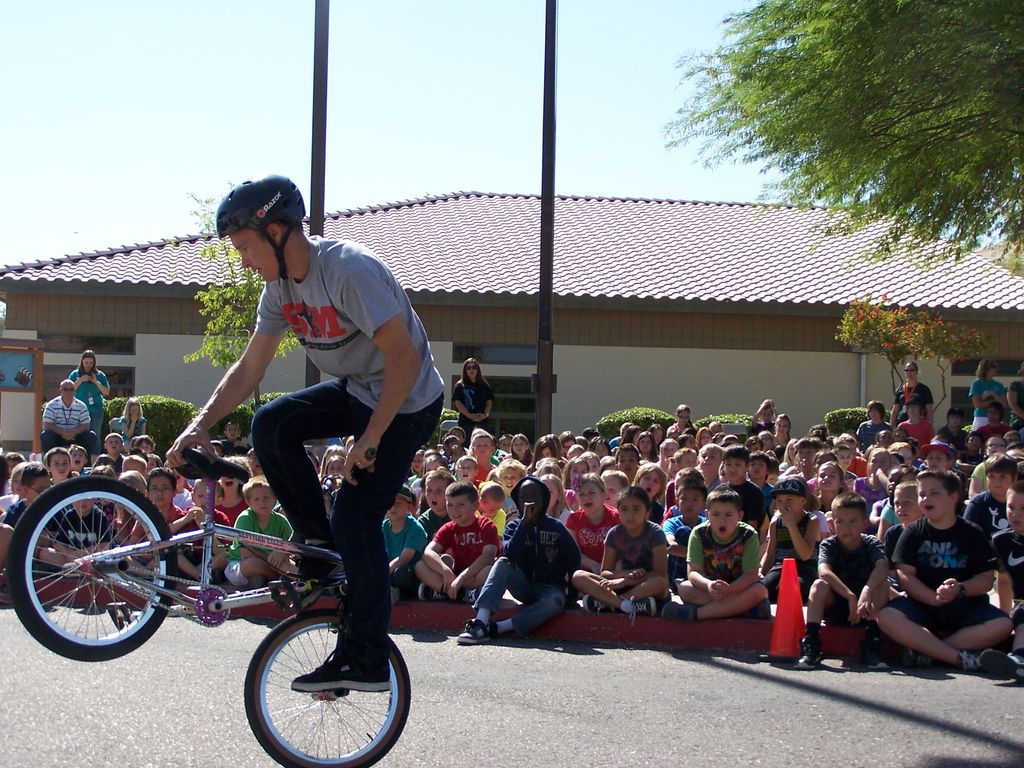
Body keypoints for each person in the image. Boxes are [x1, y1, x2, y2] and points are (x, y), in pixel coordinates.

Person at [167, 175, 444, 694]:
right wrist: (198, 425)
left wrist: (372, 438)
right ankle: (319, 548)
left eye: (246, 247)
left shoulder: (346, 270)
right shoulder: (278, 292)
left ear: (276, 231)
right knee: (271, 423)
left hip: (407, 401)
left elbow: (404, 357)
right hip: (362, 390)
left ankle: (365, 659)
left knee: (357, 517)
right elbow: (249, 370)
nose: (244, 261)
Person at [877, 469, 1012, 671]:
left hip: (965, 606)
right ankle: (957, 658)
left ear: (953, 497)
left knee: (1003, 624)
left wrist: (960, 588)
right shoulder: (913, 531)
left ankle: (928, 651)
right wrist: (932, 598)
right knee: (887, 616)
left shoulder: (972, 532)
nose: (926, 499)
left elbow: (985, 579)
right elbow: (905, 575)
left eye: (934, 493)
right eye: (922, 494)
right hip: (922, 605)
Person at [456, 476, 581, 644]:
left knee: (556, 602)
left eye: (534, 496)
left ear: (543, 499)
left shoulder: (556, 527)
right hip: (522, 585)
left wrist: (572, 595)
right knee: (502, 563)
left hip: (549, 588)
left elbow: (573, 558)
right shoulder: (513, 526)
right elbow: (510, 556)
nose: (529, 501)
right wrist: (524, 525)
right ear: (517, 501)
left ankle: (499, 628)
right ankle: (480, 622)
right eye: (523, 498)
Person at [795, 494, 891, 670]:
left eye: (853, 521)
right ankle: (812, 644)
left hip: (865, 608)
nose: (846, 527)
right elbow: (824, 571)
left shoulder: (871, 543)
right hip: (838, 606)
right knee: (819, 585)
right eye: (840, 522)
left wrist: (867, 590)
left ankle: (872, 642)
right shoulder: (829, 544)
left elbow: (883, 565)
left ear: (864, 523)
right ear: (832, 524)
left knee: (883, 584)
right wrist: (849, 596)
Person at [662, 487, 768, 622]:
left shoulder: (748, 535)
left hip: (738, 587)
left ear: (740, 516)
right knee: (684, 588)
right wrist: (708, 585)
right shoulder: (698, 533)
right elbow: (694, 572)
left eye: (728, 515)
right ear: (707, 515)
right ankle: (742, 608)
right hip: (710, 588)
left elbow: (751, 574)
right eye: (716, 515)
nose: (722, 521)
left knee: (760, 591)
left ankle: (697, 614)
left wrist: (730, 590)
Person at [572, 486, 668, 618]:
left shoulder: (655, 532)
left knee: (660, 583)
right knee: (578, 576)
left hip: (645, 586)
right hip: (618, 583)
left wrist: (627, 581)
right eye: (624, 509)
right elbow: (605, 572)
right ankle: (627, 605)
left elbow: (660, 573)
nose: (630, 515)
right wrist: (624, 576)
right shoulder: (614, 533)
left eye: (636, 509)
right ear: (618, 511)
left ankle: (609, 603)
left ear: (647, 512)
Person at [415, 481, 499, 602]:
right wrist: (446, 571)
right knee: (419, 566)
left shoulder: (486, 525)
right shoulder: (449, 528)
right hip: (454, 574)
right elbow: (428, 552)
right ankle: (458, 593)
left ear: (475, 505)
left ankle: (447, 592)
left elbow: (489, 555)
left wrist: (461, 578)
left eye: (461, 505)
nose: (454, 510)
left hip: (474, 575)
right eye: (450, 505)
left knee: (490, 570)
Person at [978, 480, 1024, 679]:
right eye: (1011, 507)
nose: (1015, 514)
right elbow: (1003, 581)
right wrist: (1005, 618)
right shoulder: (1001, 541)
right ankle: (1019, 661)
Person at [761, 477, 821, 602]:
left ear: (803, 500)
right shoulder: (775, 523)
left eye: (789, 499)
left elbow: (805, 555)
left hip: (804, 568)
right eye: (780, 501)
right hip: (780, 567)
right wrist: (761, 573)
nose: (784, 505)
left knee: (794, 588)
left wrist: (791, 526)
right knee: (762, 589)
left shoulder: (812, 521)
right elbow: (770, 553)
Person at [565, 474, 619, 574]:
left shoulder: (616, 517)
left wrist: (606, 569)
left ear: (603, 495)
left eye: (591, 493)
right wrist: (595, 566)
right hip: (588, 572)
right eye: (581, 494)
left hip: (613, 569)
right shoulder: (573, 520)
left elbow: (622, 551)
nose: (586, 498)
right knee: (578, 576)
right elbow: (575, 553)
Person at [383, 485, 428, 602]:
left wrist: (385, 571)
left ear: (408, 506)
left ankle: (395, 593)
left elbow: (405, 557)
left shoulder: (415, 527)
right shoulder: (384, 526)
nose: (392, 507)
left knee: (402, 573)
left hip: (411, 572)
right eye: (389, 502)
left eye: (398, 503)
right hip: (389, 571)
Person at [41, 380, 99, 457]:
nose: (69, 392)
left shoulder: (81, 406)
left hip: (76, 435)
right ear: (60, 390)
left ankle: (83, 462)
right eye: (65, 389)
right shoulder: (52, 404)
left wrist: (72, 433)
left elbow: (86, 425)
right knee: (46, 435)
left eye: (71, 389)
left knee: (91, 436)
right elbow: (47, 425)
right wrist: (63, 433)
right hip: (58, 435)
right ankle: (50, 460)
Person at [963, 454, 1015, 538]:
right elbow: (967, 535)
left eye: (1002, 477)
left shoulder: (1021, 501)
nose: (997, 481)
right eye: (992, 476)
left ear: (1014, 478)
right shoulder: (978, 503)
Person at [69, 349, 110, 440]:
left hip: (96, 410)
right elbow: (69, 390)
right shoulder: (75, 374)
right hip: (79, 411)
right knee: (79, 436)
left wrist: (96, 382)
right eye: (86, 362)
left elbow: (106, 392)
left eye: (91, 363)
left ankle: (94, 454)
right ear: (82, 361)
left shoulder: (100, 375)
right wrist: (81, 380)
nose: (88, 365)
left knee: (94, 436)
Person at [451, 358, 493, 445]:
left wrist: (485, 414)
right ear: (465, 370)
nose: (471, 370)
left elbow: (489, 402)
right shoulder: (460, 385)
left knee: (482, 444)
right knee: (466, 444)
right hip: (465, 422)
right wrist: (469, 415)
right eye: (468, 368)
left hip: (482, 421)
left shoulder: (484, 385)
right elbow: (458, 403)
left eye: (474, 367)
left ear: (478, 370)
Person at [891, 360, 934, 430]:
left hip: (918, 425)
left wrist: (930, 428)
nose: (909, 373)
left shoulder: (924, 389)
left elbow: (929, 411)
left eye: (912, 370)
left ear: (917, 372)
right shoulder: (900, 390)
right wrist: (891, 428)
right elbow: (895, 411)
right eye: (906, 370)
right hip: (901, 426)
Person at [968, 358, 1007, 431]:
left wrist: (993, 394)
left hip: (997, 419)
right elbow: (977, 404)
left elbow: (1004, 404)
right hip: (981, 417)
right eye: (995, 367)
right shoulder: (976, 384)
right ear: (987, 368)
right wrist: (995, 403)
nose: (997, 369)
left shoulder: (999, 385)